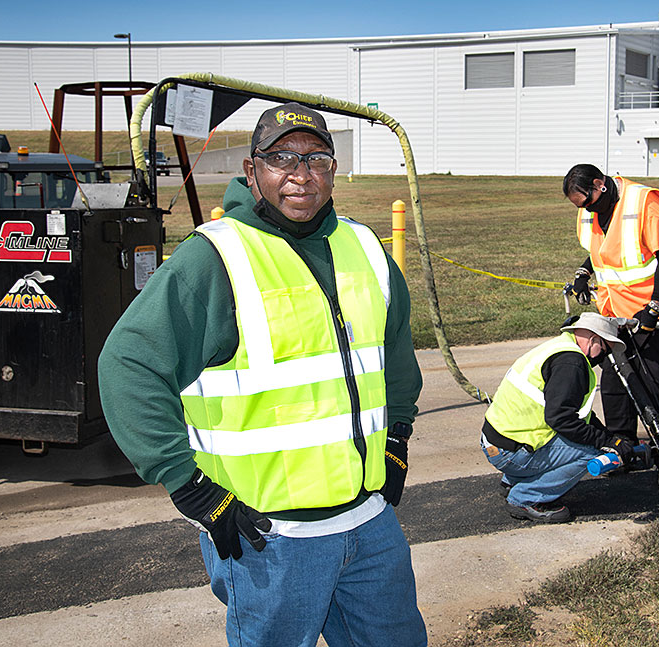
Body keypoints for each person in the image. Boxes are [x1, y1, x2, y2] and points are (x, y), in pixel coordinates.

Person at [98, 103, 427, 646]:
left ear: (333, 170)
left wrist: (397, 435)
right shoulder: (216, 257)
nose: (301, 174)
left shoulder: (365, 248)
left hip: (368, 524)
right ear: (252, 172)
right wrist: (189, 486)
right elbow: (129, 364)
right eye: (281, 159)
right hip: (269, 536)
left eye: (316, 158)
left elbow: (394, 355)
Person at [562, 164, 659, 489]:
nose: (586, 209)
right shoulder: (590, 211)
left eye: (588, 200)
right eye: (580, 206)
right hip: (613, 312)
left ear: (600, 184)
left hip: (654, 312)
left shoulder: (642, 201)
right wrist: (583, 273)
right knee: (615, 386)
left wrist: (653, 309)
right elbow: (603, 251)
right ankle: (623, 452)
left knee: (657, 384)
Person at [481, 313, 639, 523]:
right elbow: (562, 420)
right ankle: (525, 498)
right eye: (605, 350)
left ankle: (514, 480)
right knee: (592, 452)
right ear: (593, 340)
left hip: (497, 441)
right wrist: (606, 443)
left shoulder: (558, 348)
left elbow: (580, 416)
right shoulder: (571, 364)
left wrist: (612, 439)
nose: (602, 358)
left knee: (589, 440)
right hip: (511, 451)